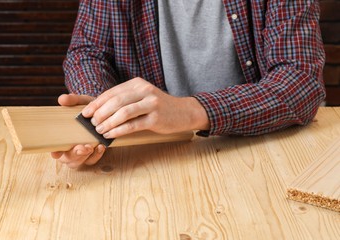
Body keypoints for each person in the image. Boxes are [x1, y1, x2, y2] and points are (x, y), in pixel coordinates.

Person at [51, 0, 326, 169]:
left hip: (262, 148)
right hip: (155, 155)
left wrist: (191, 111)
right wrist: (102, 111)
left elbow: (300, 80)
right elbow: (88, 52)